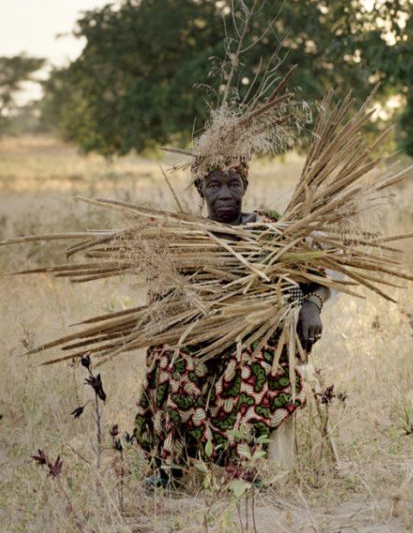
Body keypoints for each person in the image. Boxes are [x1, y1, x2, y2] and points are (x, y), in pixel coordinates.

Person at [132, 156, 330, 485]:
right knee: (169, 359)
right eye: (215, 185)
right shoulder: (188, 238)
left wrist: (312, 305)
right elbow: (162, 299)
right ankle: (172, 464)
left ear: (246, 187)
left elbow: (316, 276)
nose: (225, 193)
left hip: (255, 334)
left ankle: (242, 467)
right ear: (200, 189)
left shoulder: (267, 229)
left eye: (233, 185)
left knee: (249, 363)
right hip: (200, 334)